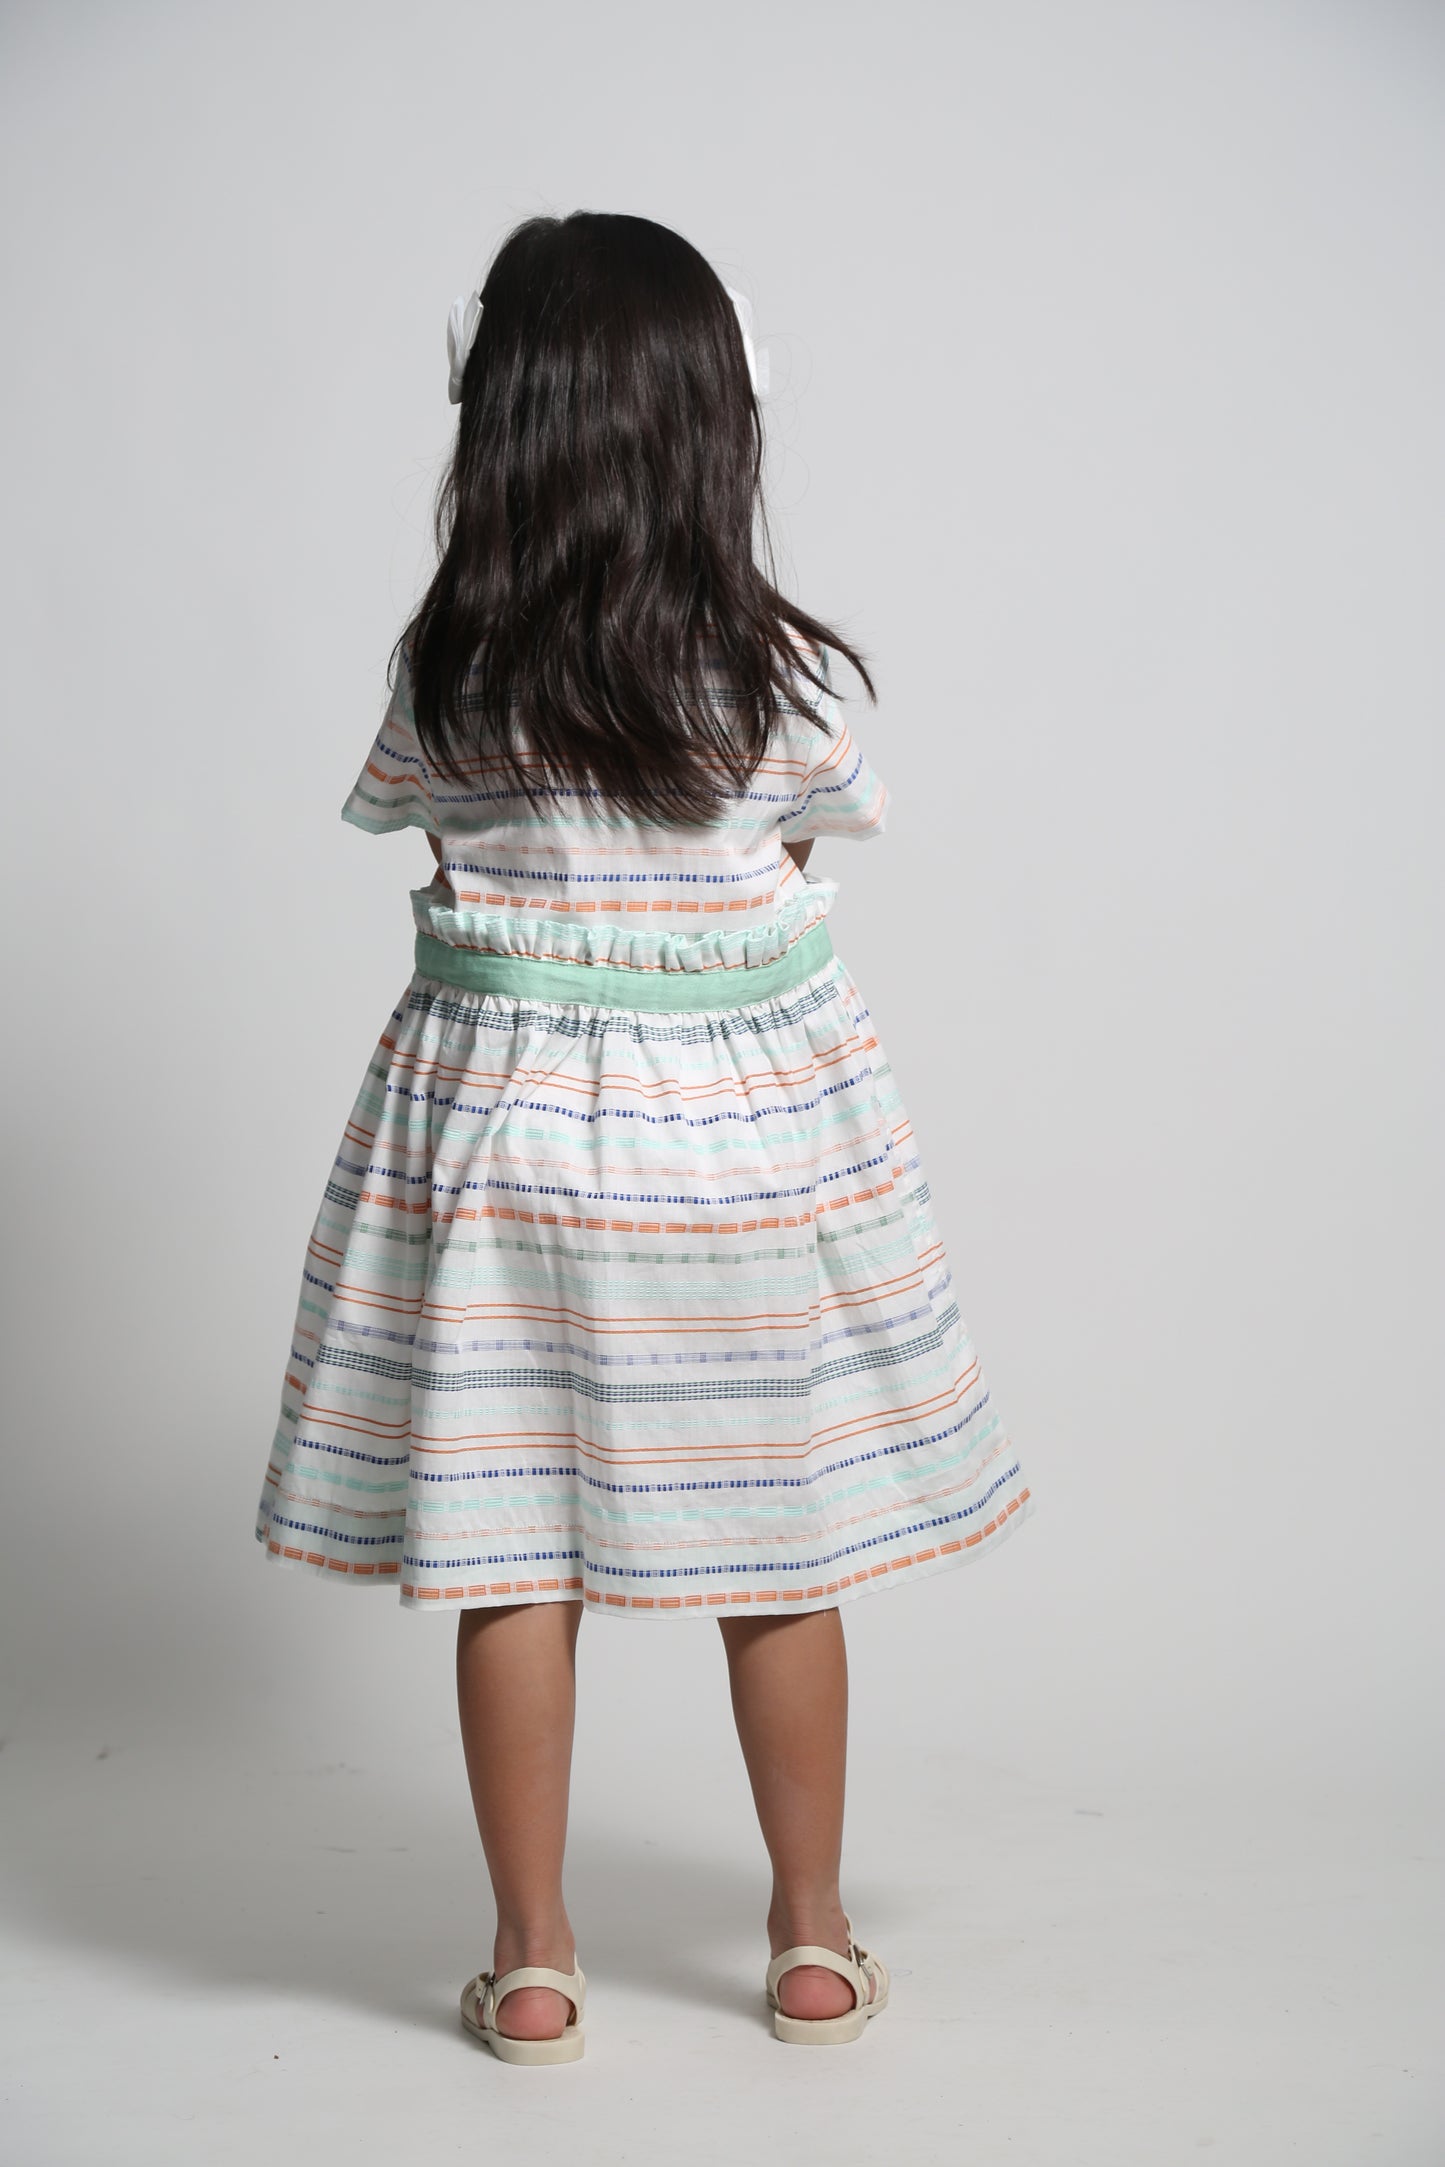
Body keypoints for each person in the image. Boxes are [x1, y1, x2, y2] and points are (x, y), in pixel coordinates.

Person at [255, 210, 1036, 2063]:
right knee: (775, 1547)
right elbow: (807, 840)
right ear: (716, 423)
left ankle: (532, 1962)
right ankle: (811, 1938)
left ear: (499, 424)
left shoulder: (449, 678)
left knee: (511, 1548)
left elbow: (417, 823)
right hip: (733, 1168)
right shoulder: (779, 683)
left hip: (508, 1156)